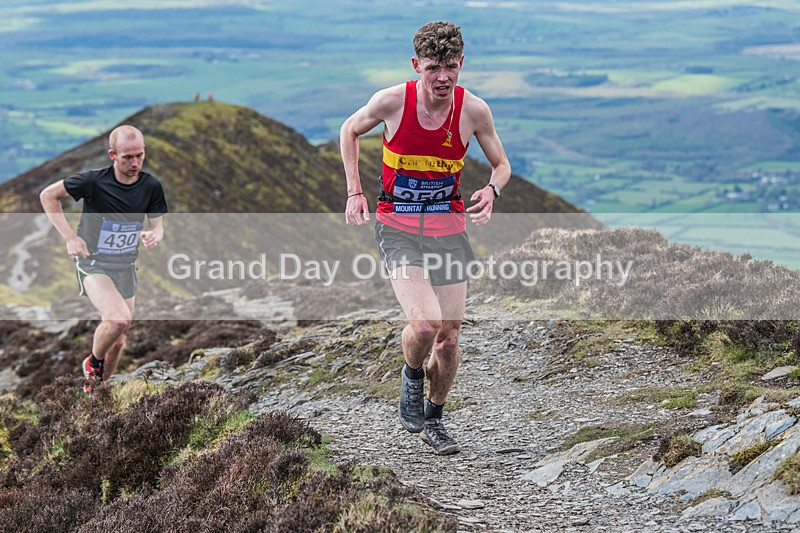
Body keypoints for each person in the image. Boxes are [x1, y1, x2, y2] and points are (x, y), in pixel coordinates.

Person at [340, 21, 510, 454]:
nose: (442, 77)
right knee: (425, 324)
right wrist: (355, 192)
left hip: (448, 231)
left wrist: (492, 191)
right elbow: (349, 130)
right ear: (417, 64)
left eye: (450, 66)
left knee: (449, 340)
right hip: (397, 228)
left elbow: (501, 165)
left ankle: (435, 419)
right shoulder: (392, 102)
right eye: (433, 67)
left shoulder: (474, 111)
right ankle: (411, 373)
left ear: (461, 63)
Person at [39, 125, 168, 393]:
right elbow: (48, 196)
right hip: (93, 263)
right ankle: (92, 362)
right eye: (127, 157)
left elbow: (158, 224)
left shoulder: (151, 186)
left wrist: (155, 234)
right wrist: (70, 238)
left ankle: (97, 392)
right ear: (113, 155)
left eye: (139, 156)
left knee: (118, 340)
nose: (135, 163)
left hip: (125, 266)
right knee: (119, 320)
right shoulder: (93, 181)